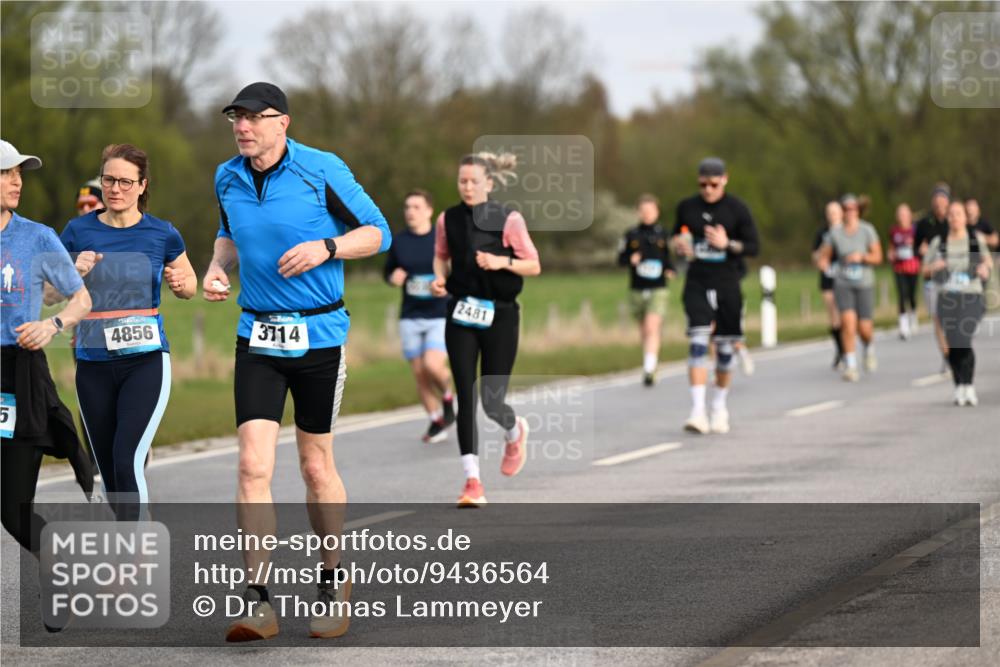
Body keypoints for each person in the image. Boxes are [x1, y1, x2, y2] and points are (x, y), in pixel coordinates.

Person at [202, 82, 391, 641]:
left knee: (314, 467)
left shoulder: (322, 168)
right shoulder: (226, 175)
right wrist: (217, 267)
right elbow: (227, 235)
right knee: (252, 466)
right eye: (236, 117)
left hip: (319, 336)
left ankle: (333, 578)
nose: (242, 127)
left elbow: (376, 232)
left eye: (254, 118)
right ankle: (257, 599)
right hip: (257, 334)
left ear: (282, 122)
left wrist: (327, 248)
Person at [59, 144, 196, 520]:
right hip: (92, 365)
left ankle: (132, 559)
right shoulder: (77, 231)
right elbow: (50, 292)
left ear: (141, 185)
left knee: (127, 458)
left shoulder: (162, 234)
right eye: (108, 180)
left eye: (124, 181)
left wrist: (181, 284)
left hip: (146, 362)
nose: (114, 188)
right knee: (109, 470)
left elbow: (188, 284)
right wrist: (72, 270)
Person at [1, 140, 93, 631]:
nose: (17, 181)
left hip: (19, 373)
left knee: (14, 510)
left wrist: (52, 326)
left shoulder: (36, 238)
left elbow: (81, 300)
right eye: (6, 173)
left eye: (20, 173)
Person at [430, 152, 541, 507]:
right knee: (466, 395)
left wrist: (501, 261)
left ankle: (514, 430)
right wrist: (438, 279)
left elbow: (534, 265)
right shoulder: (447, 219)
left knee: (493, 401)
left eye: (473, 181)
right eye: (461, 181)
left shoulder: (508, 219)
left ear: (488, 184)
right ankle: (472, 482)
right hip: (461, 313)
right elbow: (441, 255)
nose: (466, 187)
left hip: (501, 316)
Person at [671, 157, 759, 435]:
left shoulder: (737, 208)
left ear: (724, 179)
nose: (707, 189)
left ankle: (719, 406)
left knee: (723, 351)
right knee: (698, 342)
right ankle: (697, 411)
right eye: (702, 184)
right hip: (697, 281)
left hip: (727, 283)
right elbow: (677, 236)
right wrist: (679, 246)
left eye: (713, 183)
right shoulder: (687, 207)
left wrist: (727, 244)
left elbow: (754, 246)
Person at [383, 189, 455, 442]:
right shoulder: (399, 241)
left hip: (439, 314)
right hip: (410, 315)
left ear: (428, 211)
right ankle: (436, 421)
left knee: (432, 365)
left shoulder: (442, 240)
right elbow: (388, 272)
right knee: (419, 374)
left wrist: (447, 283)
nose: (410, 212)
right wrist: (394, 278)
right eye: (407, 207)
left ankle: (448, 397)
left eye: (416, 207)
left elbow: (456, 271)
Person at [922, 200, 992, 405]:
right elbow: (924, 270)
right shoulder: (939, 242)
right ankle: (958, 385)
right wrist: (935, 266)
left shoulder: (975, 239)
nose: (954, 218)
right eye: (951, 214)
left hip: (971, 294)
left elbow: (987, 261)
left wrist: (984, 269)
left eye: (958, 214)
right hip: (947, 296)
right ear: (947, 218)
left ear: (965, 217)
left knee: (964, 337)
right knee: (952, 344)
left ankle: (969, 385)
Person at [817, 194, 883, 382]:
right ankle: (851, 365)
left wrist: (861, 257)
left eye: (853, 209)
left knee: (865, 328)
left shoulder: (867, 230)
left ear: (858, 210)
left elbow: (878, 257)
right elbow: (824, 256)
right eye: (846, 209)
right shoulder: (835, 234)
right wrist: (826, 266)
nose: (850, 213)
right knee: (847, 324)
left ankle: (869, 347)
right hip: (843, 283)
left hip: (864, 283)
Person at [617, 193, 674, 386]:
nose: (647, 214)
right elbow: (620, 258)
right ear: (638, 212)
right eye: (643, 211)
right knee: (644, 330)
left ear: (657, 212)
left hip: (658, 287)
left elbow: (669, 258)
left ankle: (649, 368)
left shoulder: (663, 234)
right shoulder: (631, 234)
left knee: (652, 326)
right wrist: (630, 260)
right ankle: (650, 361)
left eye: (650, 211)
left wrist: (670, 270)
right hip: (637, 288)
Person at [914, 185, 951, 371]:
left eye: (942, 199)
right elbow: (916, 248)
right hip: (931, 277)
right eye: (936, 199)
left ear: (948, 201)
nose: (939, 203)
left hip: (953, 277)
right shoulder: (924, 223)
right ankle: (946, 355)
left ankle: (956, 352)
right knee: (937, 319)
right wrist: (922, 252)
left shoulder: (955, 221)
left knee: (952, 318)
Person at [812, 200, 845, 368]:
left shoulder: (847, 230)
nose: (832, 216)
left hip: (845, 278)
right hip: (828, 277)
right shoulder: (822, 233)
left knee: (846, 315)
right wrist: (822, 253)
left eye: (835, 212)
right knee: (834, 317)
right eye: (829, 212)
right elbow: (815, 257)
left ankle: (848, 348)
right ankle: (840, 350)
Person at [888, 203, 920, 340]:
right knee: (902, 295)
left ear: (910, 215)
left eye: (905, 214)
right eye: (900, 214)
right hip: (899, 267)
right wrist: (891, 254)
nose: (902, 217)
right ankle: (903, 325)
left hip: (913, 267)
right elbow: (890, 248)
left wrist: (914, 245)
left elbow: (921, 247)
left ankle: (913, 315)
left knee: (911, 295)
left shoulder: (915, 230)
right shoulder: (894, 231)